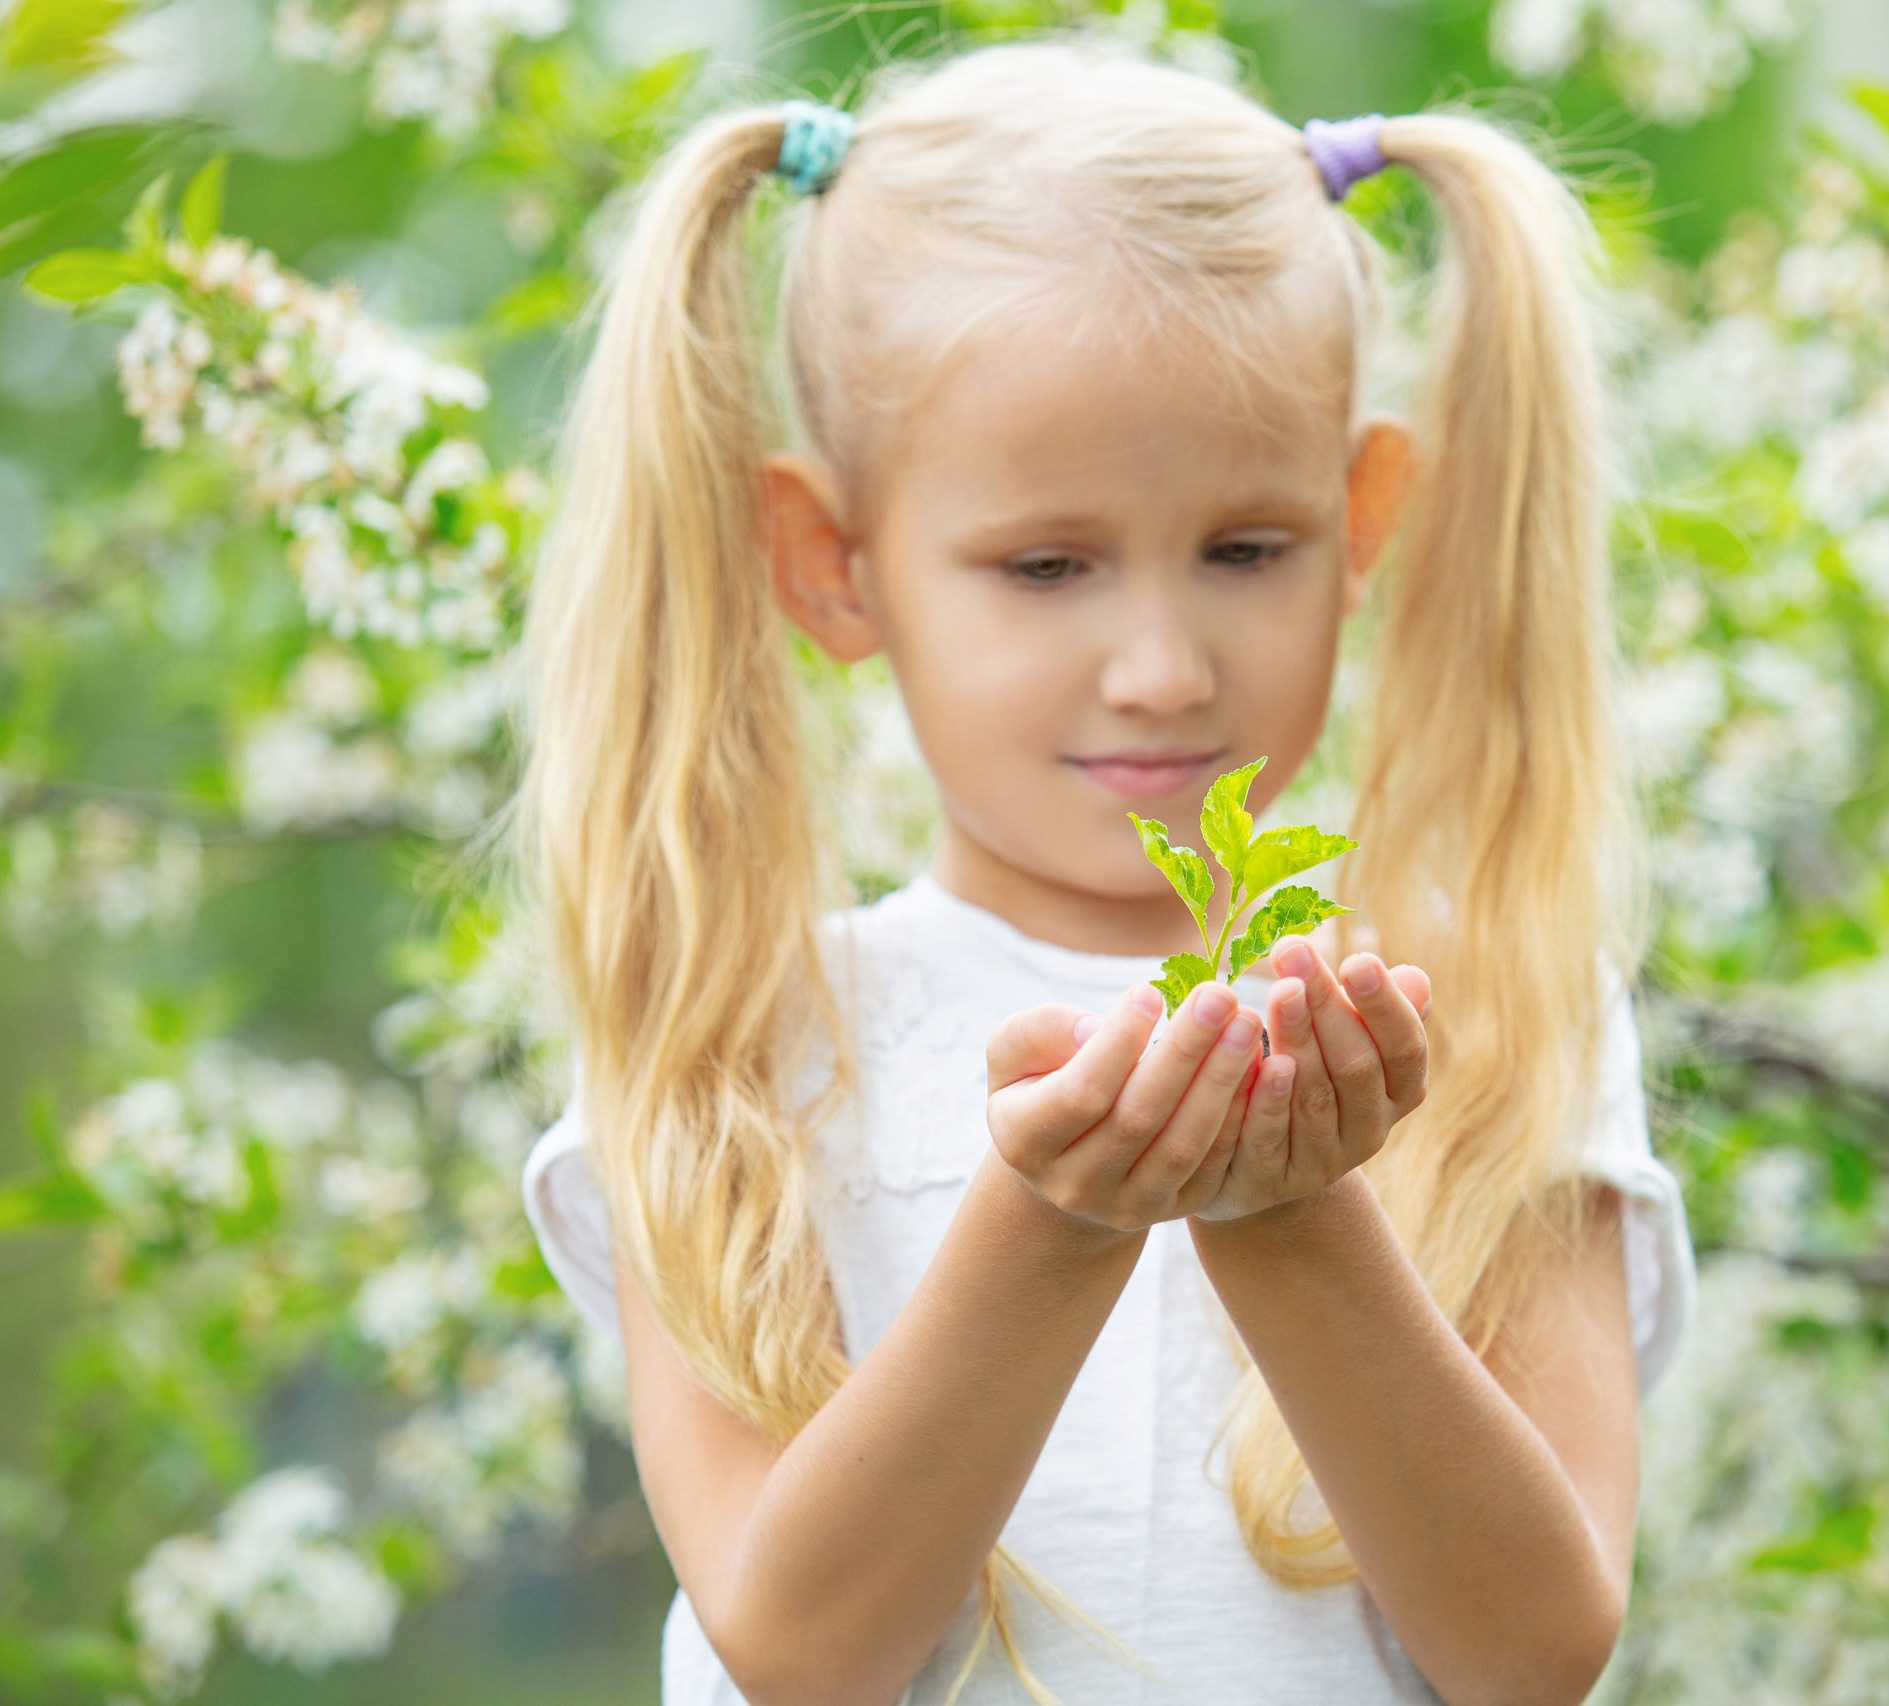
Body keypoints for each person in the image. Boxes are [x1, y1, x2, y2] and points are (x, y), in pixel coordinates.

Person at [516, 35, 1695, 1706]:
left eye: (1245, 548)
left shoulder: (1481, 1013)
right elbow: (804, 1648)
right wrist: (1055, 1222)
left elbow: (1533, 1652)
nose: (1160, 665)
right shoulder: (745, 1035)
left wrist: (1292, 1216)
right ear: (832, 569)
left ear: (1363, 517)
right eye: (1048, 563)